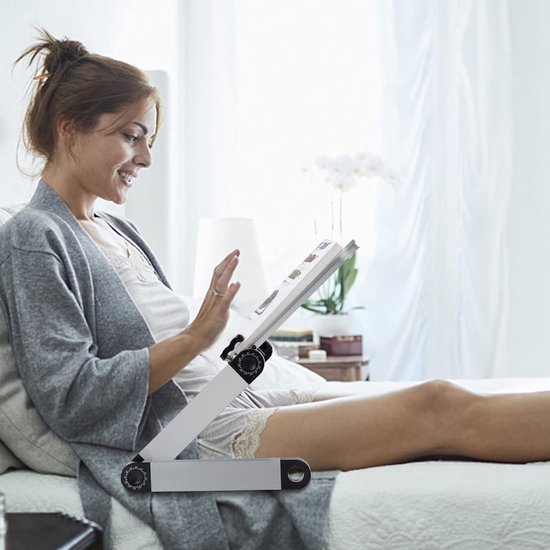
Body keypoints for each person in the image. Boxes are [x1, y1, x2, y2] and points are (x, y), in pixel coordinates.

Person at [2, 29, 550, 547]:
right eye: (130, 136)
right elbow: (71, 398)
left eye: (148, 140)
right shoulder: (34, 235)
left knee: (443, 393)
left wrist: (228, 337)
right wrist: (196, 338)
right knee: (436, 406)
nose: (145, 157)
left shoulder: (113, 227)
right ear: (70, 128)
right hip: (190, 434)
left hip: (226, 397)